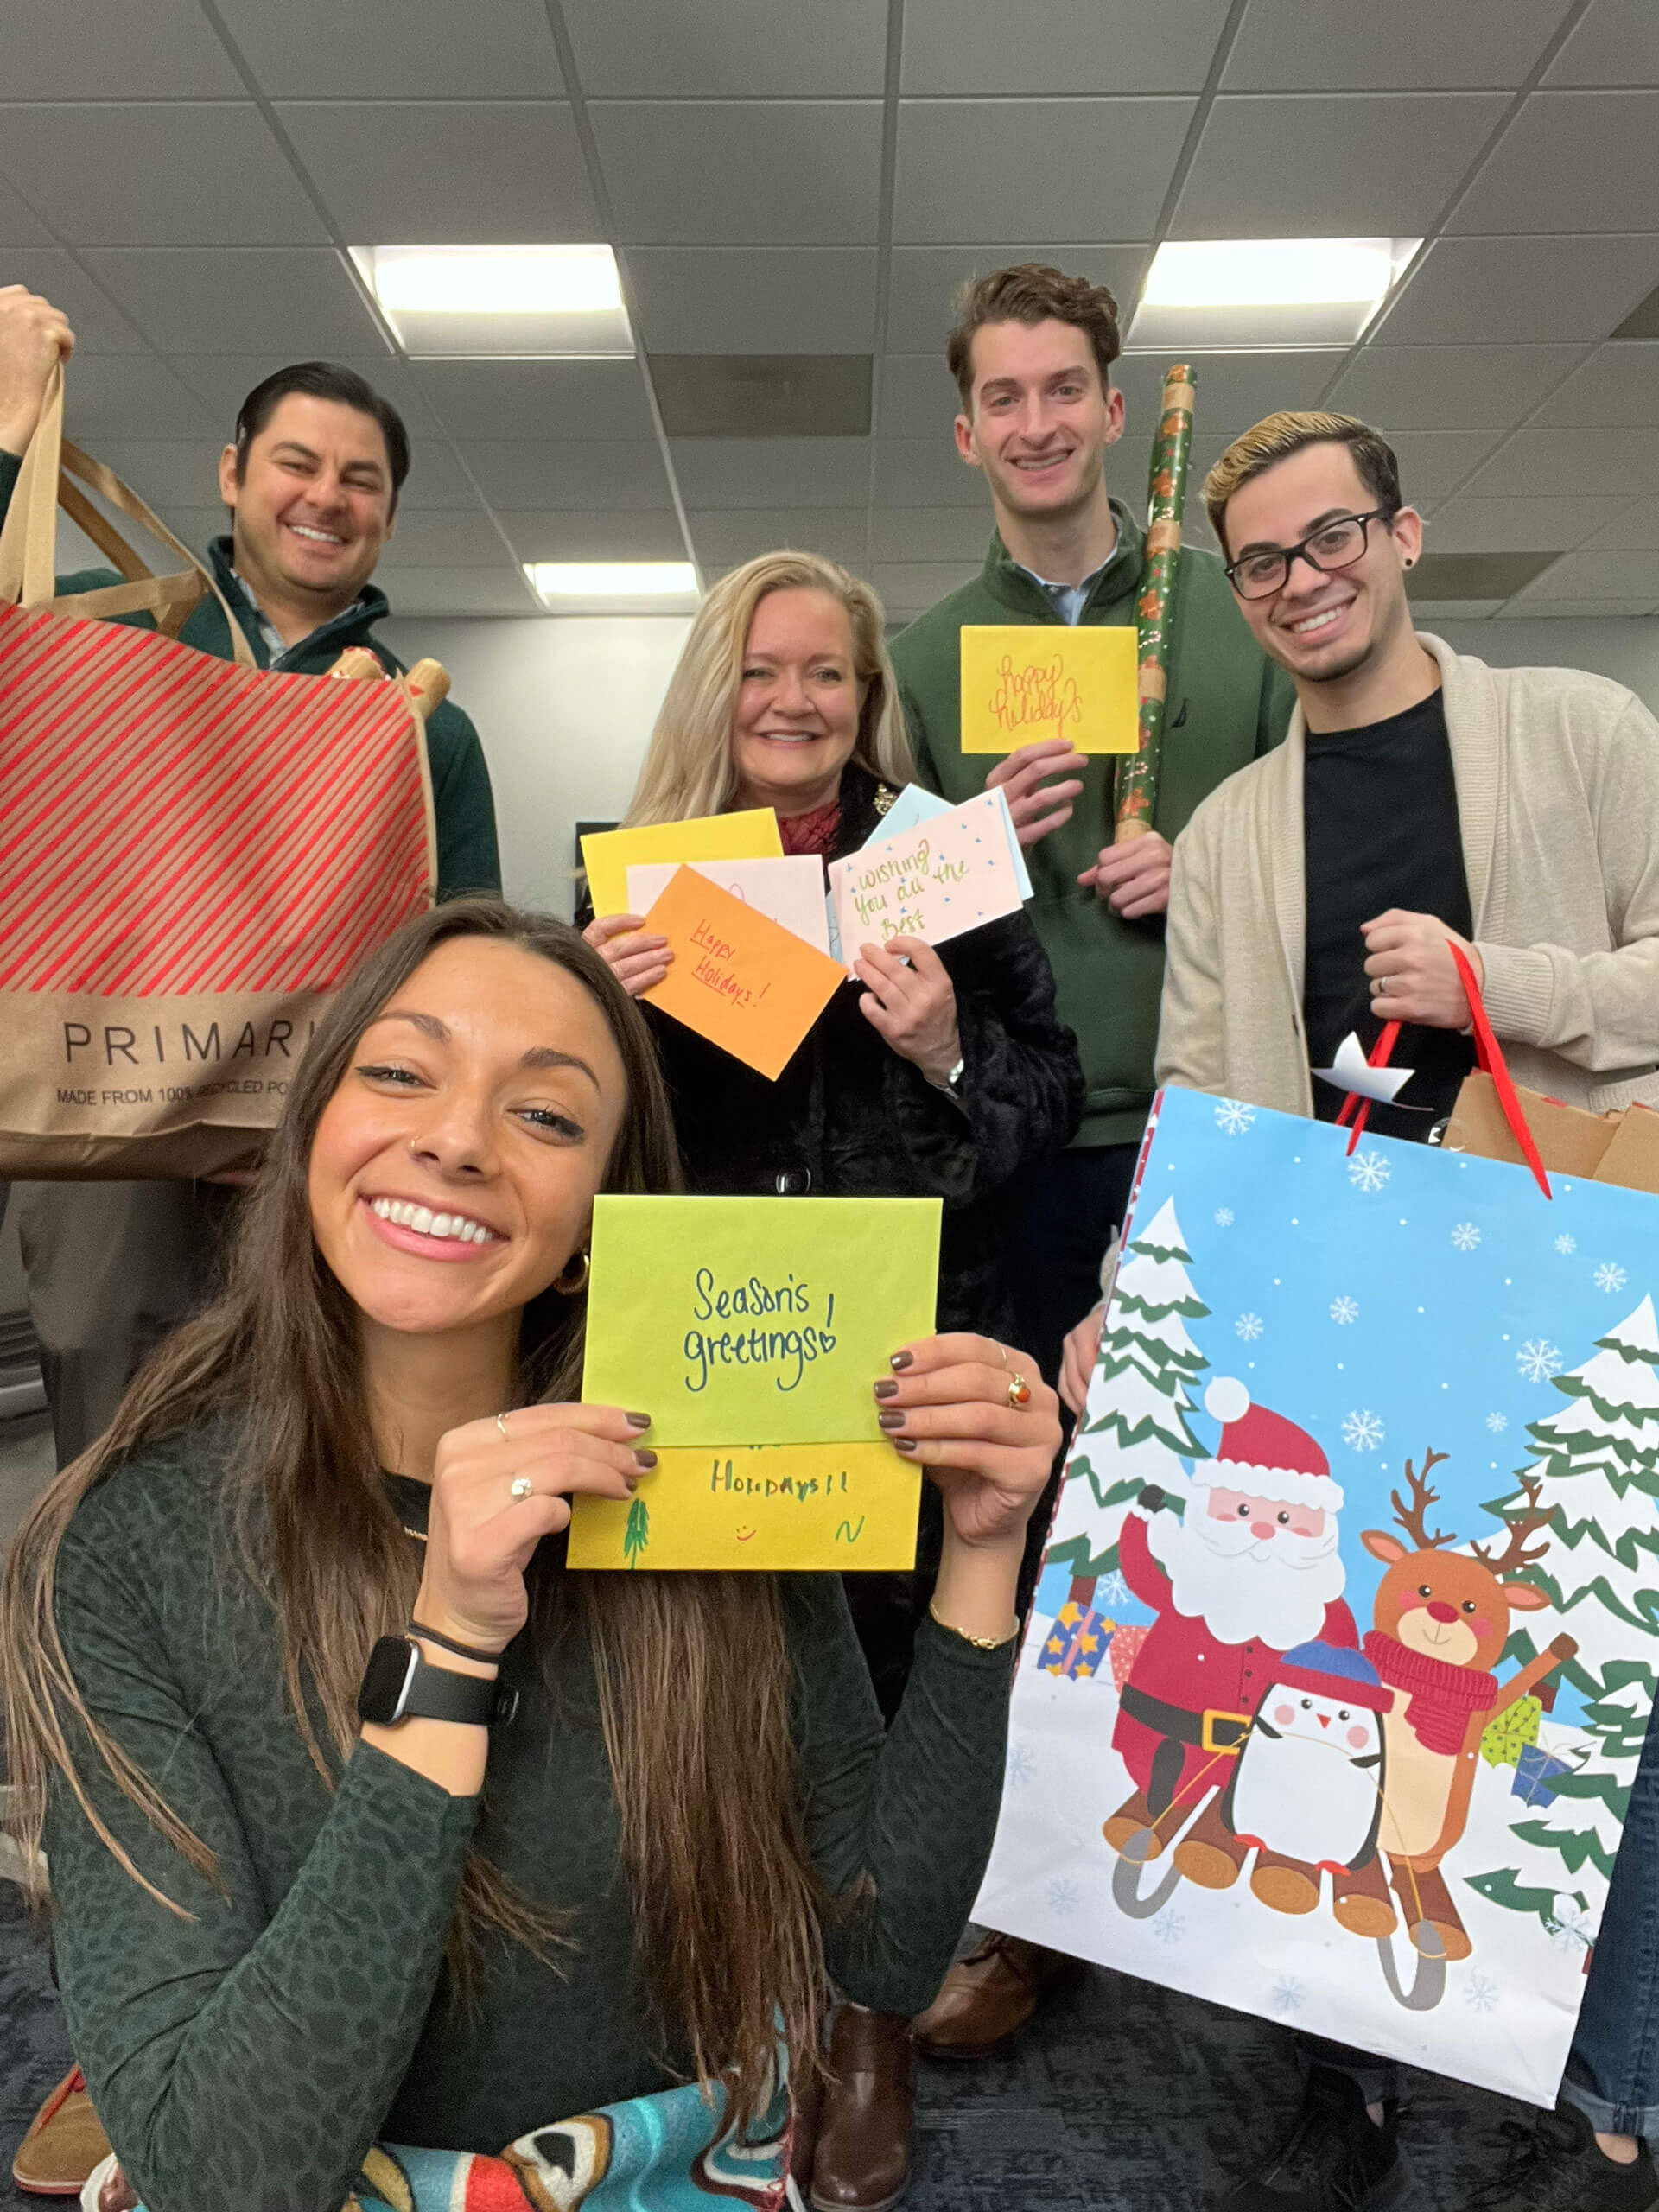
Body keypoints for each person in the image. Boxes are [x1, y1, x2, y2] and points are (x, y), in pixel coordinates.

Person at [0, 899, 1060, 2212]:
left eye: (546, 1115)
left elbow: (886, 1951)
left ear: (598, 1230)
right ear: (313, 1127)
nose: (453, 1139)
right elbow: (227, 2176)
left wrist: (981, 1556)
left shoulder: (703, 1495)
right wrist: (447, 1646)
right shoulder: (130, 1545)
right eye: (399, 1071)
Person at [1146, 408, 1659, 2212]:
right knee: (1346, 1689)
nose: (1304, 579)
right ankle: (1350, 2071)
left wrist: (1488, 976)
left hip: (1567, 1276)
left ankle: (1606, 2101)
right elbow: (1201, 1097)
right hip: (1346, 1314)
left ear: (1405, 529)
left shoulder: (1579, 730)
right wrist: (1173, 1303)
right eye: (1265, 560)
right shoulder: (1231, 830)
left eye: (1332, 536)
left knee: (1586, 1686)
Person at [582, 548, 1083, 2212]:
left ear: (872, 697)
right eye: (764, 669)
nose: (796, 703)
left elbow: (1042, 1100)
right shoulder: (643, 877)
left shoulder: (941, 863)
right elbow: (581, 1148)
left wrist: (944, 1042)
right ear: (717, 684)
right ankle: (740, 1995)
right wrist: (599, 1014)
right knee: (719, 1663)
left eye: (832, 675)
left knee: (892, 1667)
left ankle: (868, 2014)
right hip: (716, 1335)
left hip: (910, 1330)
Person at [887, 258, 1294, 2072]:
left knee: (1210, 1529)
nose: (1041, 423)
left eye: (1072, 389)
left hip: (1215, 1133)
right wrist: (971, 845)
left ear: (1113, 411)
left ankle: (1220, 1883)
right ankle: (1009, 1899)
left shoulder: (1236, 618)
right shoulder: (915, 653)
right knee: (1014, 1522)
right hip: (1023, 1150)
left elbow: (1317, 863)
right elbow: (877, 928)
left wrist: (1200, 860)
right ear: (966, 426)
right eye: (1007, 396)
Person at [0, 284, 500, 1471]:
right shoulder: (98, 632)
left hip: (310, 1134)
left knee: (306, 1447)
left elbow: (464, 959)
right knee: (111, 1434)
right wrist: (11, 434)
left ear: (388, 515)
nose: (327, 495)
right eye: (297, 462)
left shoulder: (423, 727)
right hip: (103, 1115)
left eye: (362, 479)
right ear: (231, 475)